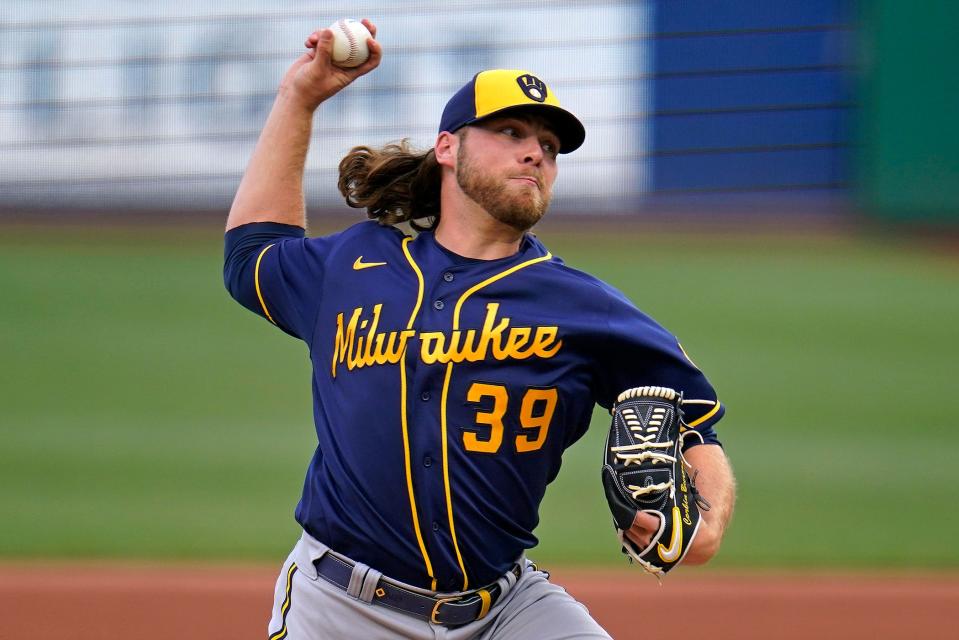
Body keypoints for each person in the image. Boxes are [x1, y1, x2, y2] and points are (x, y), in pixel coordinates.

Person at [224, 20, 735, 640]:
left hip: (505, 609)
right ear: (447, 148)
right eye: (510, 131)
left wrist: (705, 523)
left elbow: (694, 419)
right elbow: (253, 253)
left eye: (549, 146)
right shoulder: (355, 269)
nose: (535, 152)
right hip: (340, 607)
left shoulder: (580, 305)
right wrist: (299, 98)